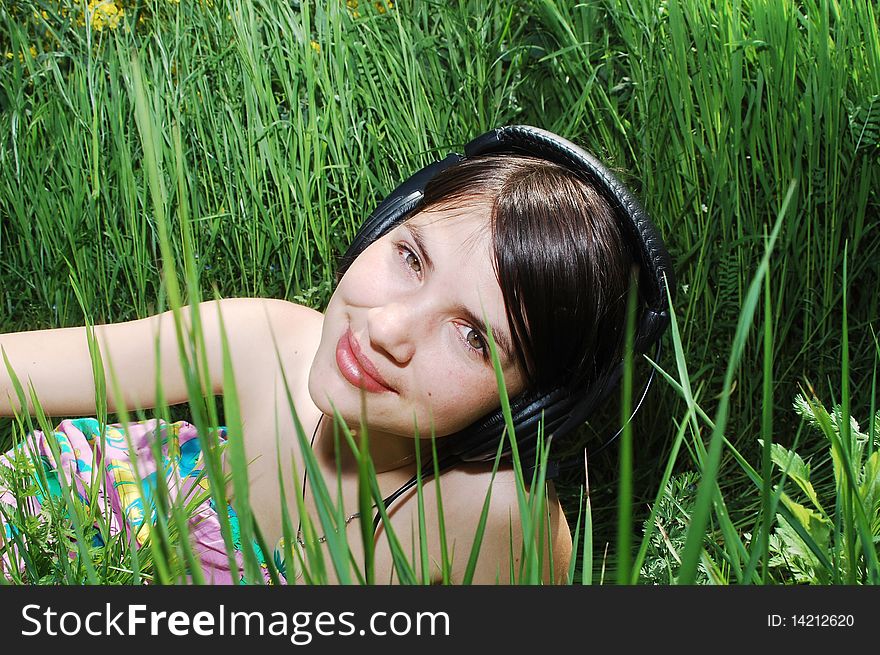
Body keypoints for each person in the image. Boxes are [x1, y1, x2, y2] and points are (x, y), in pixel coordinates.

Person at [0, 126, 673, 585]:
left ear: (529, 405)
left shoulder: (498, 515)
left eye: (474, 336)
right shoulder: (258, 341)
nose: (386, 328)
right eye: (410, 257)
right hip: (98, 506)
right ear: (382, 225)